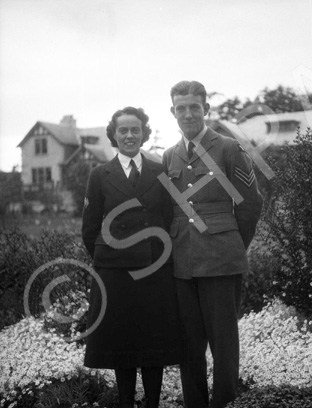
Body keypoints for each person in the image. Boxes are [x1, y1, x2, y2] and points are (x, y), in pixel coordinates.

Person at [162, 80, 263, 408]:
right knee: (188, 347)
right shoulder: (168, 155)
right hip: (183, 265)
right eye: (181, 108)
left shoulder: (228, 148)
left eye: (194, 107)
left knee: (223, 346)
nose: (188, 114)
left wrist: (232, 244)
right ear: (172, 112)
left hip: (221, 262)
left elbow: (250, 204)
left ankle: (225, 404)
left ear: (206, 109)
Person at [82, 106, 182, 408]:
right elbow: (89, 229)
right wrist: (112, 258)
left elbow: (167, 219)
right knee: (121, 342)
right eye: (123, 130)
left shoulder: (159, 172)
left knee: (154, 343)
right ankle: (126, 402)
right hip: (115, 273)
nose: (129, 135)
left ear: (144, 134)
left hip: (154, 269)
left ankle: (152, 403)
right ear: (114, 134)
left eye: (135, 129)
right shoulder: (100, 175)